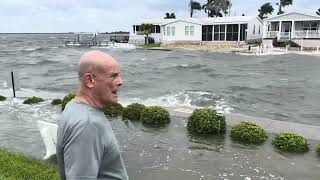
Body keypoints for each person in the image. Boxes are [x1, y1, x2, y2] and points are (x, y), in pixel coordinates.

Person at [56, 51, 128, 180]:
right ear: (89, 80)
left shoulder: (73, 106)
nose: (120, 81)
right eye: (113, 76)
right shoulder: (87, 124)